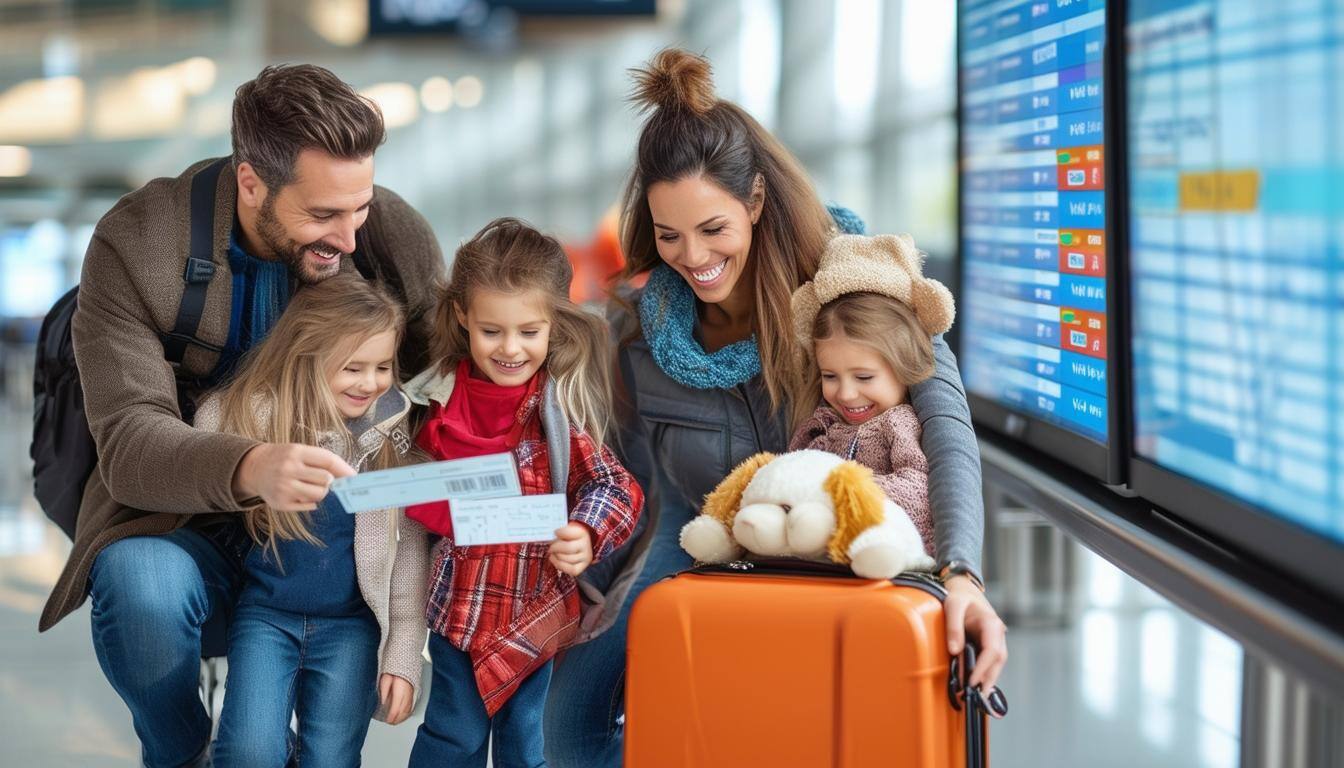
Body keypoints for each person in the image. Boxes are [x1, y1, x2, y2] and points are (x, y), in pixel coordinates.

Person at [544, 48, 1008, 767]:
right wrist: (588, 594)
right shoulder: (635, 330)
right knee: (568, 718)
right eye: (669, 234)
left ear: (756, 202)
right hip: (698, 535)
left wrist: (961, 574)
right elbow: (629, 479)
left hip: (832, 538)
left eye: (713, 229)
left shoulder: (853, 289)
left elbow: (946, 427)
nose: (691, 256)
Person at [38, 64, 444, 768]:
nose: (349, 237)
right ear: (252, 181)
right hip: (174, 522)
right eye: (322, 216)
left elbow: (465, 356)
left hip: (326, 546)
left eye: (361, 208)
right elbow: (132, 443)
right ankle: (185, 748)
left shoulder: (385, 237)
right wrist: (253, 465)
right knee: (142, 591)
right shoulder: (138, 243)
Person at [402, 218, 642, 768]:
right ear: (462, 315)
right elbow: (398, 495)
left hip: (536, 617)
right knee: (450, 739)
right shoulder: (427, 403)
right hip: (459, 615)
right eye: (492, 331)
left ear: (554, 324)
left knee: (525, 747)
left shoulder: (559, 414)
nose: (510, 349)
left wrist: (584, 531)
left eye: (528, 332)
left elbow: (616, 486)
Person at [190, 275, 427, 766]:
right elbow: (209, 423)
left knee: (331, 758)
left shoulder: (390, 438)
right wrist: (266, 421)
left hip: (352, 629)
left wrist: (403, 657)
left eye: (383, 366)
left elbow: (408, 557)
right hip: (266, 618)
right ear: (306, 360)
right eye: (352, 368)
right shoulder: (266, 417)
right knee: (248, 752)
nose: (371, 382)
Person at [788, 232, 959, 559]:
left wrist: (840, 497)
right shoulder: (823, 425)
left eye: (864, 377)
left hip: (886, 559)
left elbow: (917, 491)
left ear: (904, 367)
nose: (847, 393)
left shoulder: (900, 425)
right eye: (830, 376)